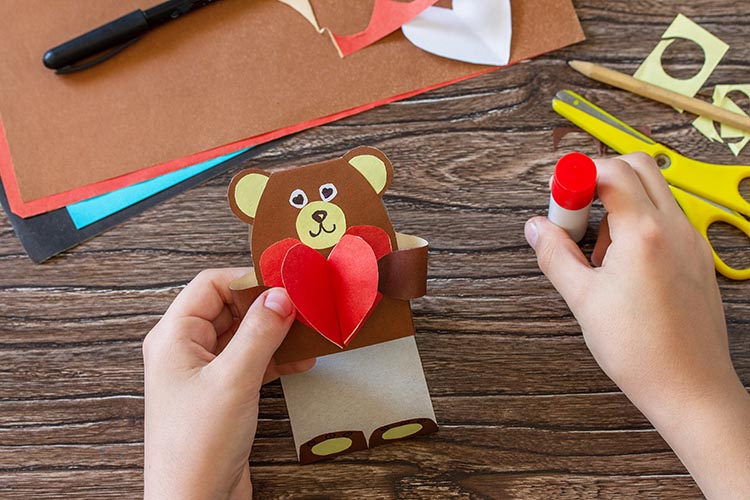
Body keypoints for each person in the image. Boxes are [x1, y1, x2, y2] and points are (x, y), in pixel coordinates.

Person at [142, 153, 750, 499]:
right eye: (302, 205)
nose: (319, 213)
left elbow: (406, 272)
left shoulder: (375, 249)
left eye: (327, 198)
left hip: (382, 336)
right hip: (317, 347)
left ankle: (397, 417)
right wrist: (703, 396)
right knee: (332, 389)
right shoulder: (279, 278)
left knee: (386, 375)